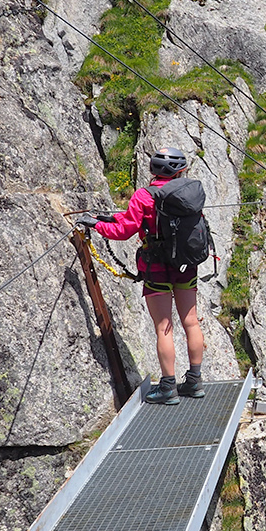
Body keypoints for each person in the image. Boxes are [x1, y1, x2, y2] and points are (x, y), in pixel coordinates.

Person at [79, 147, 207, 405]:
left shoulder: (144, 195)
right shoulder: (190, 192)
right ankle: (195, 381)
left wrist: (96, 225)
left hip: (157, 265)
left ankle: (168, 387)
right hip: (185, 264)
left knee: (164, 327)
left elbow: (126, 230)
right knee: (191, 322)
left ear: (151, 170)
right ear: (181, 170)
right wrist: (110, 218)